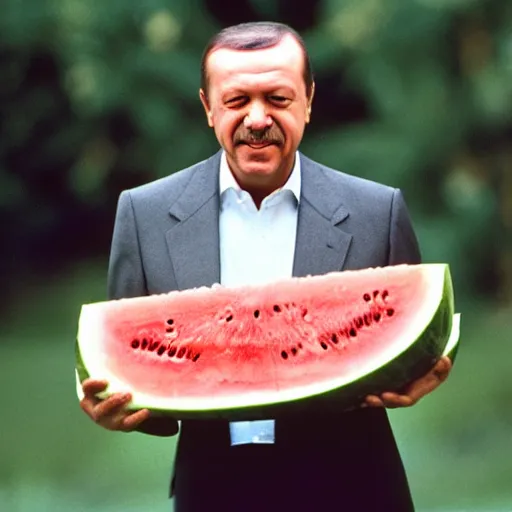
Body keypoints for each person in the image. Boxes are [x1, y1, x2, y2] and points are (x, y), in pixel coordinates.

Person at [79, 21, 453, 512]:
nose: (258, 118)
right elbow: (145, 383)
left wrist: (424, 369)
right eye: (236, 101)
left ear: (308, 101)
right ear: (208, 107)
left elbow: (412, 336)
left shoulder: (376, 211)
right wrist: (116, 407)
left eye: (278, 98)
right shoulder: (143, 214)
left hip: (354, 489)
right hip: (214, 491)